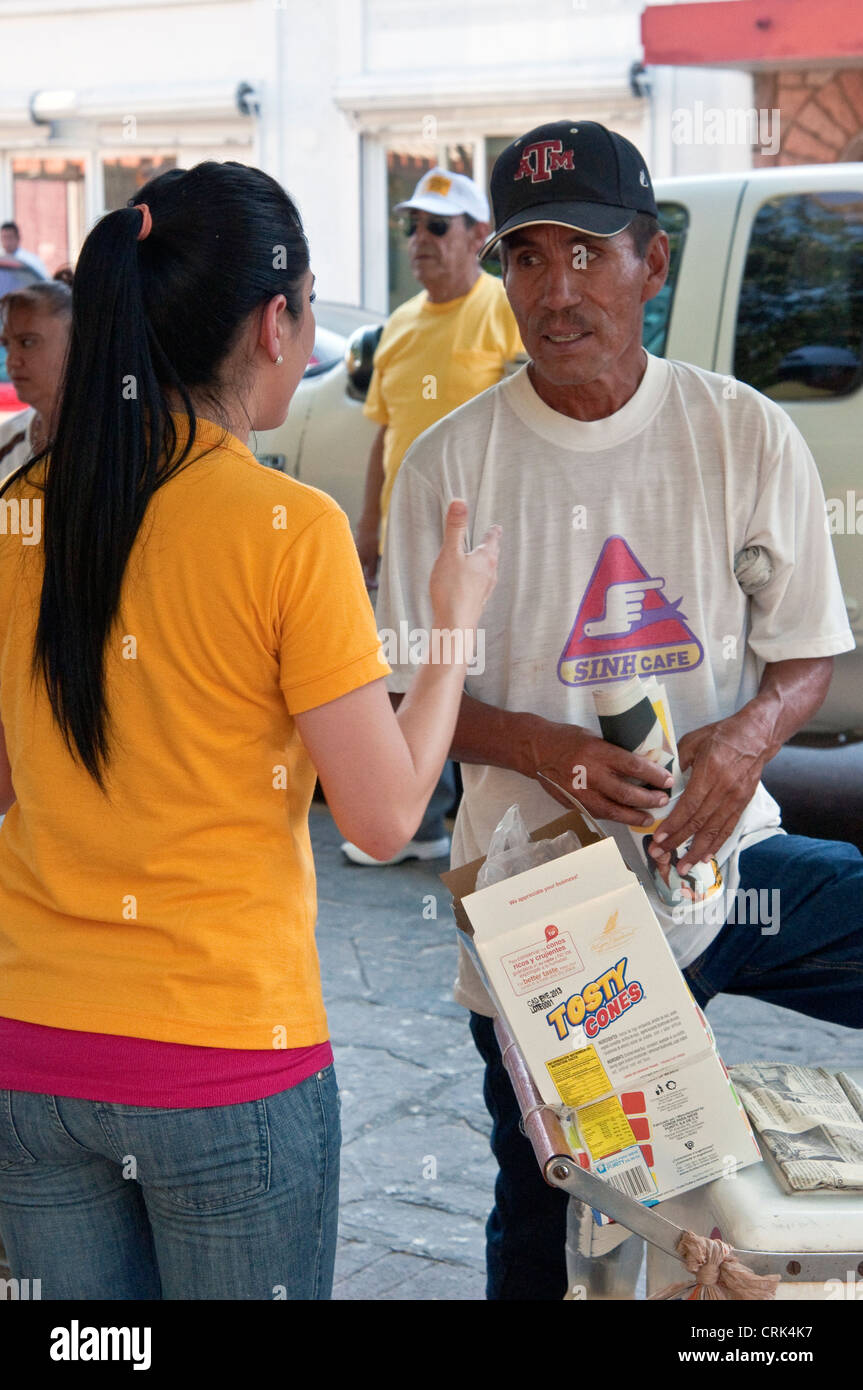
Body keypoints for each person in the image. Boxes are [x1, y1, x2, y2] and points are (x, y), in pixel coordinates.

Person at [376, 119, 861, 1300]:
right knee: (546, 1196)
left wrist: (744, 743)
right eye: (529, 258)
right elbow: (409, 690)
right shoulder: (449, 465)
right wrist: (543, 749)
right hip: (546, 907)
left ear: (650, 262)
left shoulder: (739, 430)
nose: (557, 288)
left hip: (725, 865)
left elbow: (804, 658)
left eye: (589, 252)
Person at [0, 160, 499, 1301]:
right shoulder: (286, 529)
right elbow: (379, 820)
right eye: (312, 303)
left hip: (28, 1043)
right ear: (274, 322)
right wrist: (451, 623)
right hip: (220, 1060)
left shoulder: (23, 513)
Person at [343, 166, 523, 867]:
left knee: (475, 674)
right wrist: (368, 525)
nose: (418, 239)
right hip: (407, 532)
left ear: (478, 237)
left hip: (480, 539)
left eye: (436, 226)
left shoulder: (499, 308)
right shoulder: (399, 324)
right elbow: (383, 435)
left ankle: (479, 825)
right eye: (410, 226)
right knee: (405, 675)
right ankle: (416, 824)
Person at [0, 280, 72, 481]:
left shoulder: (114, 444)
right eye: (7, 344)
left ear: (75, 346)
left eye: (28, 342)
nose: (12, 361)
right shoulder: (6, 442)